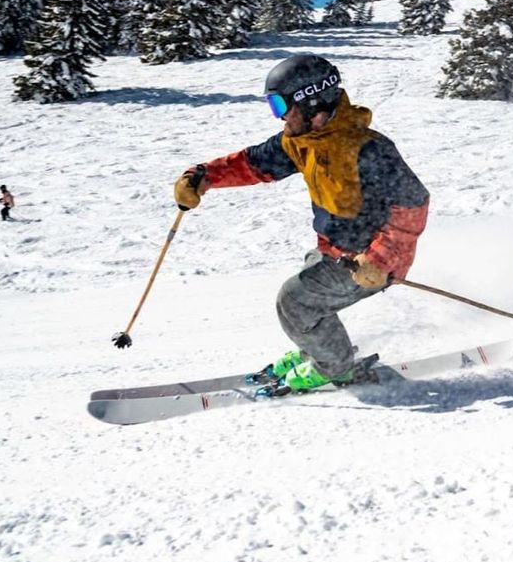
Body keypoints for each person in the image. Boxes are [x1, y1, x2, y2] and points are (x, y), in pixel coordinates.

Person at [173, 53, 429, 392]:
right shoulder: (302, 142)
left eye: (280, 106)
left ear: (312, 104)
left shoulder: (367, 149)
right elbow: (253, 164)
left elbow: (413, 203)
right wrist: (204, 177)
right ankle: (321, 349)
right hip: (332, 249)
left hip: (369, 261)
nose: (279, 118)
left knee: (295, 302)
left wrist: (381, 260)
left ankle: (337, 367)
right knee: (308, 302)